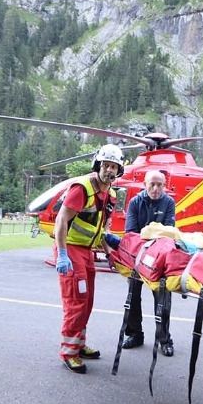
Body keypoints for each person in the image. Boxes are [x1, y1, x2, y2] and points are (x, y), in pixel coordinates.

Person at [54, 144, 125, 374]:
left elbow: (100, 228)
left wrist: (108, 251)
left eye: (113, 166)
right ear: (98, 165)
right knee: (76, 300)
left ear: (119, 170)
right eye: (105, 165)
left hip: (87, 252)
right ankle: (69, 352)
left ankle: (79, 344)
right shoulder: (82, 188)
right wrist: (62, 254)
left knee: (87, 301)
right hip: (72, 250)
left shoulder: (111, 195)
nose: (109, 170)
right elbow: (61, 221)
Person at [119, 169, 178, 355]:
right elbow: (131, 232)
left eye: (159, 184)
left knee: (163, 300)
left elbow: (169, 233)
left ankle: (164, 339)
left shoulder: (169, 202)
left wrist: (151, 235)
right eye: (152, 184)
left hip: (160, 259)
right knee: (133, 297)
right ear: (145, 184)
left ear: (164, 185)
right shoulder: (135, 202)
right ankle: (135, 334)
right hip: (137, 257)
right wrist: (154, 235)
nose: (155, 188)